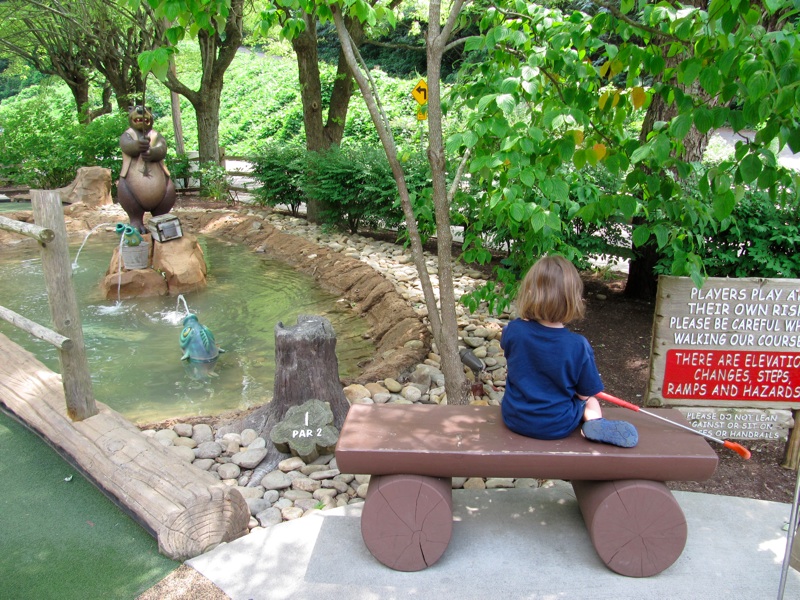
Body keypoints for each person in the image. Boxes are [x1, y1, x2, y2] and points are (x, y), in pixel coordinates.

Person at [500, 255, 638, 448]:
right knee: (589, 400)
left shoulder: (514, 330)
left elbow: (507, 343)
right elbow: (584, 392)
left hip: (515, 417)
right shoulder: (577, 345)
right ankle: (595, 423)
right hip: (557, 425)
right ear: (573, 300)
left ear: (530, 294)